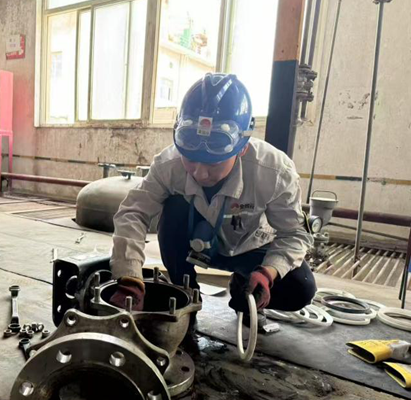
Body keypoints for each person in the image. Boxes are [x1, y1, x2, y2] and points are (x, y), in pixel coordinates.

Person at [109, 73, 316, 319]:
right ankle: (185, 296)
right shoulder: (168, 165)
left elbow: (295, 234)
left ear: (242, 147)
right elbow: (134, 212)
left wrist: (269, 272)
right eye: (190, 159)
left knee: (301, 288)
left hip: (252, 250)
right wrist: (130, 276)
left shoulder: (274, 171)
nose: (199, 173)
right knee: (173, 206)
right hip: (196, 247)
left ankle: (244, 293)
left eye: (213, 163)